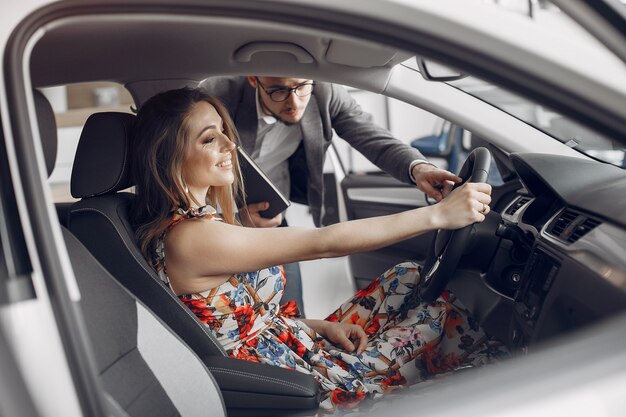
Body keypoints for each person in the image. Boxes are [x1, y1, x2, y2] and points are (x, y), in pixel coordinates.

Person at [131, 88, 506, 413]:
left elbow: (235, 318)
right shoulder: (190, 237)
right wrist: (438, 215)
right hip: (296, 383)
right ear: (170, 155)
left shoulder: (199, 221)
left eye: (226, 133)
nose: (231, 145)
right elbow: (322, 242)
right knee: (471, 355)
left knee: (407, 277)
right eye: (210, 139)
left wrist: (318, 326)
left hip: (297, 345)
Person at [200, 76, 461, 311]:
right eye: (279, 91)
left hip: (271, 218)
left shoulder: (324, 91)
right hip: (214, 222)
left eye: (302, 87)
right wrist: (233, 218)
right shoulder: (218, 96)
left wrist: (418, 168)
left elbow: (369, 134)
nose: (294, 103)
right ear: (254, 81)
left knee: (290, 309)